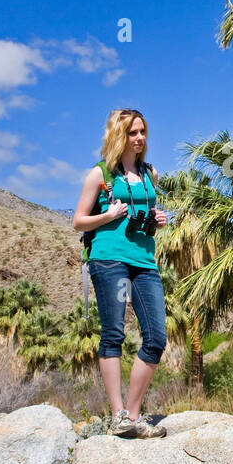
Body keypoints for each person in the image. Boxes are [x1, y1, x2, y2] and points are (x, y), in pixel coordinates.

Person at [73, 108, 169, 438]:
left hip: (144, 260)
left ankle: (134, 414)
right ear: (119, 135)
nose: (139, 138)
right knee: (113, 333)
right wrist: (109, 214)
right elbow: (78, 222)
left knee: (156, 337)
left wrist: (155, 221)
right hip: (108, 258)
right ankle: (119, 417)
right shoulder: (99, 174)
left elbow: (145, 218)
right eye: (132, 133)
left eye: (142, 131)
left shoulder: (149, 173)